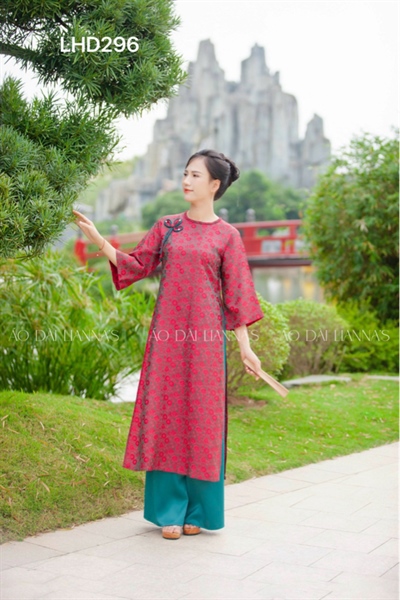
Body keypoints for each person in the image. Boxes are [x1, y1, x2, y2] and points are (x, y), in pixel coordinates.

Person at [73, 149, 264, 540]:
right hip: (167, 338)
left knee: (203, 420)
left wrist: (246, 348)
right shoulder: (168, 227)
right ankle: (169, 512)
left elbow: (237, 296)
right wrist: (98, 239)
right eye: (185, 173)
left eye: (196, 175)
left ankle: (200, 511)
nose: (186, 181)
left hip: (207, 341)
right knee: (167, 414)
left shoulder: (227, 236)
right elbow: (136, 265)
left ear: (215, 185)